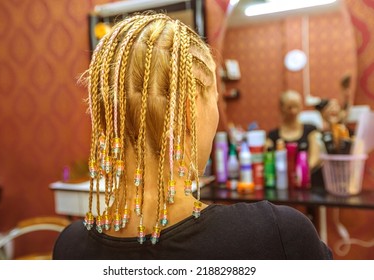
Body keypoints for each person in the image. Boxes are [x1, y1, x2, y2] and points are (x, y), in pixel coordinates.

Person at [53, 14, 332, 260]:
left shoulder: (68, 249)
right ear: (189, 111)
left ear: (104, 115)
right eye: (214, 99)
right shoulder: (277, 235)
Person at [268, 90, 321, 170]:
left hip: (307, 178)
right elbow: (268, 159)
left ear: (301, 107)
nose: (293, 111)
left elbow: (315, 156)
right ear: (281, 108)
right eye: (289, 107)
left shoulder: (311, 130)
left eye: (296, 106)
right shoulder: (272, 135)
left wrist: (303, 172)